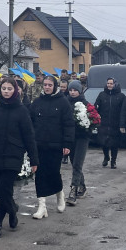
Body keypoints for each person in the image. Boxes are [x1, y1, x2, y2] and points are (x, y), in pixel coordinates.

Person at [0, 77, 37, 239]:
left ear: (16, 90)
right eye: (3, 88)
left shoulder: (22, 110)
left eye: (9, 88)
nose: (6, 91)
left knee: (5, 189)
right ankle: (12, 209)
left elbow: (29, 136)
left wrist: (34, 159)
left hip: (13, 155)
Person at [29, 75, 74, 217]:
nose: (47, 87)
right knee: (40, 174)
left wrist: (67, 143)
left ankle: (59, 193)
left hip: (56, 145)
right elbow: (30, 123)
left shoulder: (63, 102)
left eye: (50, 85)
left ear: (55, 86)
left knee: (53, 172)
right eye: (45, 85)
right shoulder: (36, 102)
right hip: (39, 144)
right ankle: (42, 206)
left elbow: (68, 124)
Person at [64, 80, 92, 205]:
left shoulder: (86, 104)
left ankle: (73, 191)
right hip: (70, 138)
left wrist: (87, 126)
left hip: (82, 137)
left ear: (80, 91)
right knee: (74, 163)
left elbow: (94, 119)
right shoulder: (65, 103)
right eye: (71, 90)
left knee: (77, 164)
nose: (73, 92)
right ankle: (83, 186)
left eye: (75, 90)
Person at [95, 77, 124, 169]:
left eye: (111, 84)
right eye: (108, 83)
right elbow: (96, 107)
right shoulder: (102, 95)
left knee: (114, 144)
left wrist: (122, 123)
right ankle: (106, 157)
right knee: (104, 142)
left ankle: (113, 161)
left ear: (115, 84)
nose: (109, 85)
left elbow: (124, 110)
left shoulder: (121, 96)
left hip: (115, 123)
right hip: (103, 123)